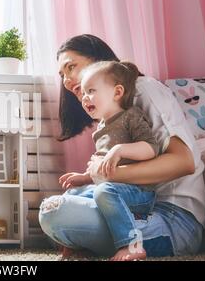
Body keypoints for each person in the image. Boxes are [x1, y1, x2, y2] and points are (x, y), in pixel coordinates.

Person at [39, 34, 205, 260]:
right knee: (65, 200)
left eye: (71, 67)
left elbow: (184, 161)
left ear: (99, 60)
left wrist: (109, 174)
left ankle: (118, 242)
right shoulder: (110, 114)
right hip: (133, 206)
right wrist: (93, 177)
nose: (67, 80)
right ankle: (94, 239)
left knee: (57, 213)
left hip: (174, 218)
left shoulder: (143, 88)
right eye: (62, 75)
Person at [59, 60, 160, 260]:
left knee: (105, 190)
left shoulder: (131, 116)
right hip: (111, 188)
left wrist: (119, 149)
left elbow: (151, 148)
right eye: (84, 92)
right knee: (73, 195)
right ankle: (76, 242)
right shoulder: (100, 129)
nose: (85, 98)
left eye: (91, 91)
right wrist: (85, 177)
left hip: (139, 192)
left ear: (117, 92)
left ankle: (132, 245)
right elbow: (103, 167)